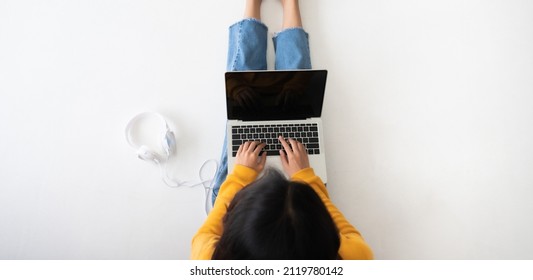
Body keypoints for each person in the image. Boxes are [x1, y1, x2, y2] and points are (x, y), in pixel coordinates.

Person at [191, 0, 373, 259]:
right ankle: (290, 5)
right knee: (296, 103)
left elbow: (203, 237)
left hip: (252, 191)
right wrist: (305, 175)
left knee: (243, 99)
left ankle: (253, 4)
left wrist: (242, 175)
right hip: (289, 202)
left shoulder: (214, 260)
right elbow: (354, 240)